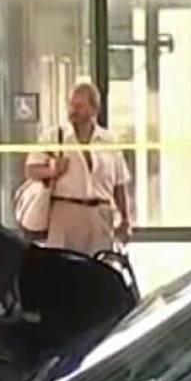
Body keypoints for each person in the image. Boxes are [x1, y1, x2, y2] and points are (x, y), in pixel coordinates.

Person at [23, 82, 133, 255]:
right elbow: (31, 170)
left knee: (98, 265)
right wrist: (51, 171)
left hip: (100, 214)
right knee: (62, 266)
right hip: (65, 211)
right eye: (71, 104)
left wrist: (125, 219)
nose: (73, 110)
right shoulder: (55, 136)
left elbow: (120, 183)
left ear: (94, 109)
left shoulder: (108, 141)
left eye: (80, 105)